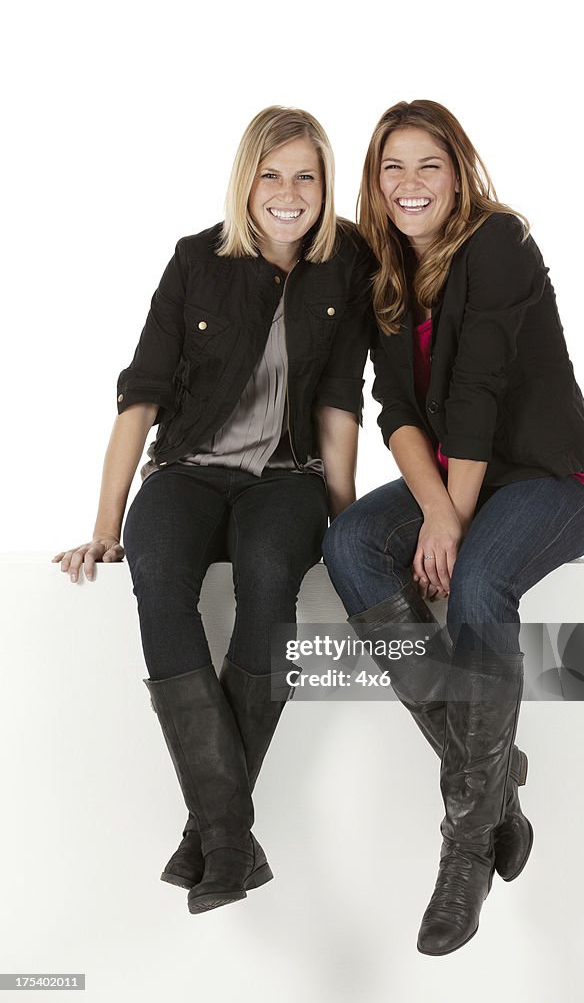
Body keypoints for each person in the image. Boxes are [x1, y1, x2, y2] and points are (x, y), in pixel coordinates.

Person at [52, 105, 373, 915]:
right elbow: (142, 395)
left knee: (270, 576)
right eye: (272, 173)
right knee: (157, 574)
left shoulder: (347, 264)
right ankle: (230, 835)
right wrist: (103, 524)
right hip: (188, 470)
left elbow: (339, 403)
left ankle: (214, 835)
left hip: (287, 476)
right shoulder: (197, 259)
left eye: (306, 174)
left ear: (324, 184)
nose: (288, 191)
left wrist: (345, 522)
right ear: (246, 180)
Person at [322, 100, 584, 955]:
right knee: (349, 548)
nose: (409, 185)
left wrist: (452, 522)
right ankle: (493, 788)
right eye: (390, 168)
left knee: (479, 579)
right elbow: (398, 410)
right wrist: (436, 508)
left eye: (427, 166)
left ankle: (465, 847)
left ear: (458, 171)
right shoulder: (383, 271)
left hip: (548, 478)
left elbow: (474, 396)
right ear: (375, 183)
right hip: (456, 477)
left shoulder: (497, 242)